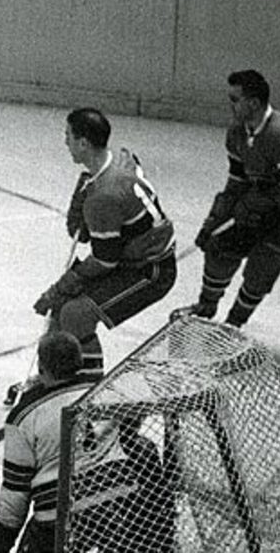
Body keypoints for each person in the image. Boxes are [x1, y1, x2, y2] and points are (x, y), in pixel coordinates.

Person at [32, 108, 176, 382]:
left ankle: (83, 389)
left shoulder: (103, 196)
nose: (65, 143)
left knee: (75, 314)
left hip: (152, 271)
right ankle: (54, 376)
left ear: (83, 143)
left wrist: (63, 285)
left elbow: (104, 261)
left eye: (68, 136)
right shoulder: (119, 164)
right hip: (130, 256)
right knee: (61, 310)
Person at [173, 70, 280, 327]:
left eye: (235, 100)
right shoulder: (236, 133)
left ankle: (234, 324)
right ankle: (206, 307)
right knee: (218, 246)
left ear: (254, 103)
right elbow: (236, 182)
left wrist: (260, 200)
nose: (230, 106)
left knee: (262, 265)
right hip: (262, 204)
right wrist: (215, 219)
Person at [0, 331, 94, 553]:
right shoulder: (102, 392)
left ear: (41, 366)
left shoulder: (24, 416)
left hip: (60, 520)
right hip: (119, 513)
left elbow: (13, 507)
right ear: (79, 362)